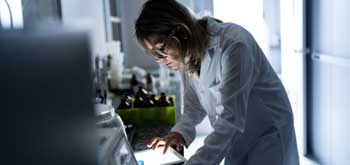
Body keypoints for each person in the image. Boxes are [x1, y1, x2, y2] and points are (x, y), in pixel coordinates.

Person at [134, 0, 299, 164]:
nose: (160, 61)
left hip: (268, 134)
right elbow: (193, 106)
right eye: (154, 54)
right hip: (237, 136)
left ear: (182, 32)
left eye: (161, 49)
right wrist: (179, 133)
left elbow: (230, 120)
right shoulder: (186, 52)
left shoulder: (234, 45)